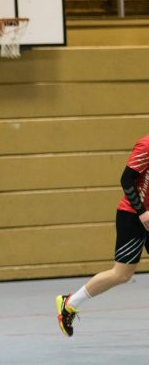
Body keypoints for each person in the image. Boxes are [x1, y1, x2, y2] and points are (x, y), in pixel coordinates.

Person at [56, 133, 149, 337]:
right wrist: (142, 213)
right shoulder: (146, 145)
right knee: (121, 274)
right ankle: (69, 304)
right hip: (133, 215)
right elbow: (126, 180)